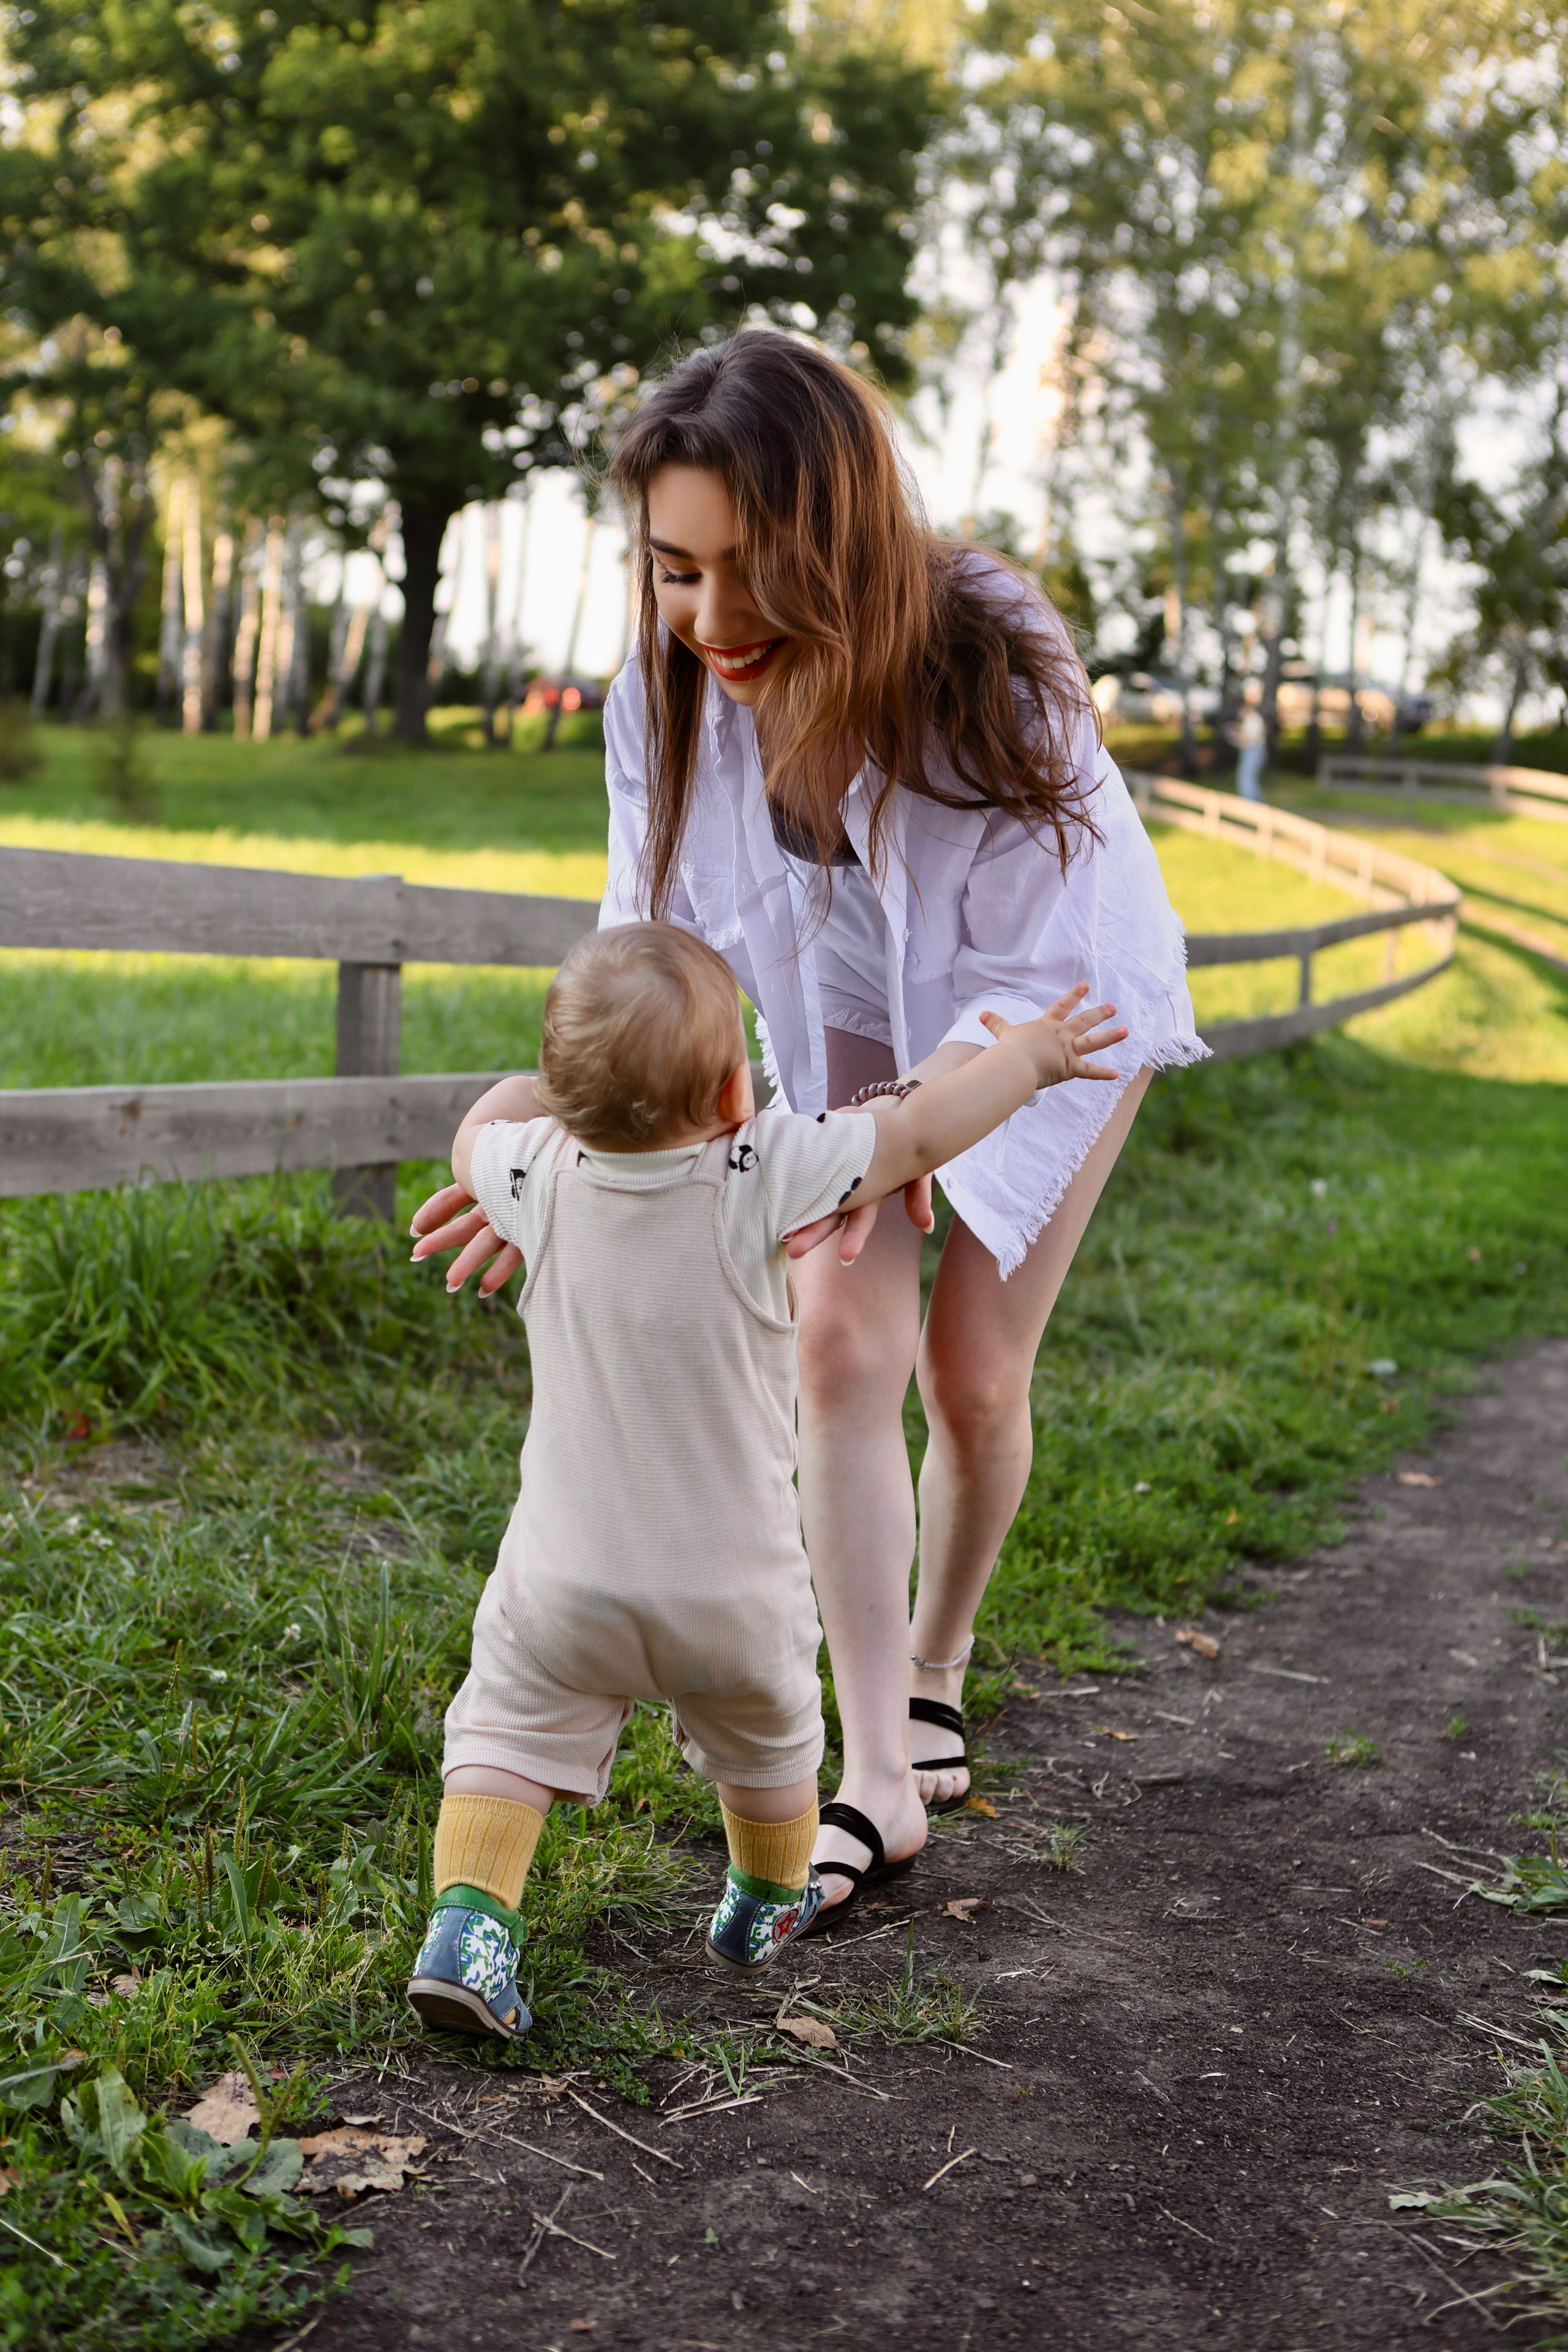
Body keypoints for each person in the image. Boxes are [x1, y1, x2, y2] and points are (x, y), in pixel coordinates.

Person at [412, 329, 1205, 1929]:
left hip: (1049, 1018)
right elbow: (653, 932)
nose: (706, 620)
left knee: (973, 1373)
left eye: (744, 570)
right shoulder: (674, 683)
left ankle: (935, 1665)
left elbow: (1029, 968)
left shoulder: (993, 648)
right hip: (840, 999)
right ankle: (879, 1779)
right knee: (843, 1341)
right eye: (672, 571)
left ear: (833, 539)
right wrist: (583, 1133)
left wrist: (906, 1139)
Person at [404, 921, 1126, 2038]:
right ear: (740, 1091)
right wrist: (1027, 1060)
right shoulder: (765, 1168)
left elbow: (477, 1129)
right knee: (778, 1754)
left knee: (502, 1739)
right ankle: (761, 1901)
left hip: (563, 1586)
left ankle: (470, 1924)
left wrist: (534, 1094)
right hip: (731, 1600)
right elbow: (918, 1129)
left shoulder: (531, 1170)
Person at [1234, 680, 1267, 802]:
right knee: (1247, 781)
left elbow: (1252, 738)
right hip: (1250, 751)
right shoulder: (1250, 719)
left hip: (1253, 751)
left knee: (1247, 781)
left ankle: (1255, 811)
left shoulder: (1255, 718)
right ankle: (1255, 811)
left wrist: (1237, 739)